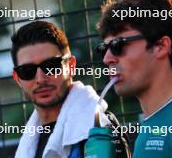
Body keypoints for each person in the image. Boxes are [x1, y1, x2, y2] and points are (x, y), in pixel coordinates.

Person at [96, 0, 172, 158]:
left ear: (161, 46)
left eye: (117, 45)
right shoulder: (150, 125)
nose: (107, 59)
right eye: (104, 49)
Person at [11, 20, 111, 158]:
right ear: (17, 79)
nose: (40, 79)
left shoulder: (100, 130)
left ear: (71, 66)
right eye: (27, 71)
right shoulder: (28, 144)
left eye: (51, 66)